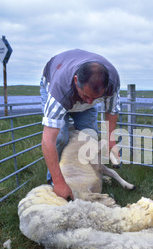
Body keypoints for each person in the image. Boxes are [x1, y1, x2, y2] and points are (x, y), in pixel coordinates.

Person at [40, 49, 120, 200]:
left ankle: (90, 179)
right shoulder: (59, 91)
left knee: (89, 138)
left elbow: (112, 111)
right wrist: (59, 183)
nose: (89, 102)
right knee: (60, 137)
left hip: (77, 94)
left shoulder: (112, 82)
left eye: (96, 97)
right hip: (62, 90)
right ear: (76, 80)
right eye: (86, 96)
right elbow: (48, 140)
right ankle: (54, 182)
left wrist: (111, 142)